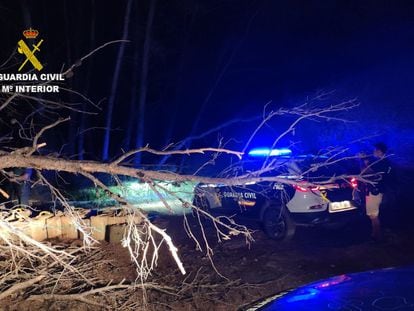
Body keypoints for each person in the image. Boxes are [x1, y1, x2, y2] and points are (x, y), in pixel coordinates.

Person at [362, 143, 392, 241]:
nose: (373, 152)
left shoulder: (381, 163)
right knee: (375, 214)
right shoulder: (386, 162)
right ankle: (377, 234)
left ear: (379, 151)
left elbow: (367, 172)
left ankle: (376, 236)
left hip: (375, 191)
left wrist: (364, 161)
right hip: (381, 190)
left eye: (375, 150)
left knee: (373, 215)